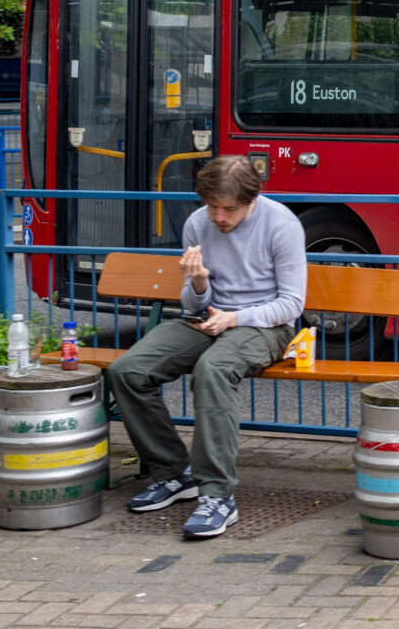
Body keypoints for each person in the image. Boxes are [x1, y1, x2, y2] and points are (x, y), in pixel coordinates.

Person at [106, 155, 307, 539]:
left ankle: (217, 495)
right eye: (212, 206)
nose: (218, 217)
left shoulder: (282, 225)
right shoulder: (198, 222)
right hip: (206, 320)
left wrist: (234, 318)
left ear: (252, 198)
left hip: (265, 325)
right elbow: (193, 307)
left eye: (228, 209)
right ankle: (173, 473)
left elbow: (291, 305)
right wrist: (198, 283)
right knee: (128, 371)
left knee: (213, 370)